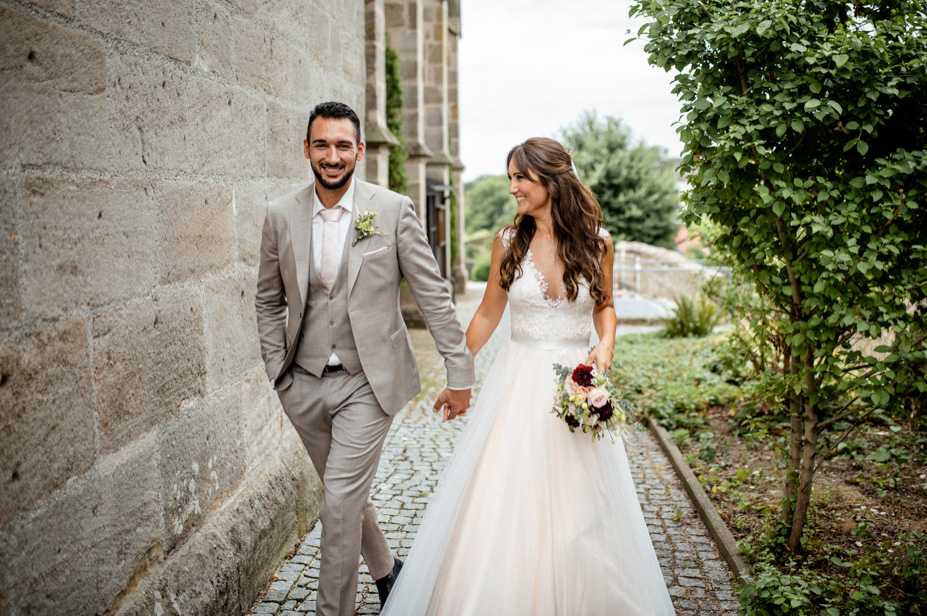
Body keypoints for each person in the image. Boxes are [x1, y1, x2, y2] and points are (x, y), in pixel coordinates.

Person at [382, 138, 676, 615]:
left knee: (584, 509)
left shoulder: (598, 243)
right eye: (511, 178)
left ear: (552, 180)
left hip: (577, 384)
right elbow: (485, 315)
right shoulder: (508, 242)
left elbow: (605, 308)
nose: (514, 187)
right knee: (508, 498)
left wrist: (605, 344)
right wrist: (460, 374)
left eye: (522, 177)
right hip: (517, 386)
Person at [254, 101, 474, 616]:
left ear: (359, 150)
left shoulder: (392, 210)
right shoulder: (280, 214)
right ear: (307, 149)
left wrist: (459, 370)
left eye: (343, 145)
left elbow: (432, 293)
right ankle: (388, 573)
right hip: (302, 383)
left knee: (336, 505)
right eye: (322, 144)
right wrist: (276, 373)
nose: (332, 156)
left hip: (368, 382)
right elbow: (268, 299)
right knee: (344, 494)